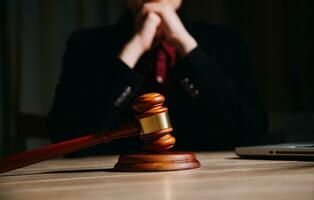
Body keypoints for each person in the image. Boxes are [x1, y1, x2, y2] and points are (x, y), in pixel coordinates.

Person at [48, 0, 268, 156]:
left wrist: (187, 46)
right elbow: (66, 138)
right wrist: (134, 49)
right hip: (112, 183)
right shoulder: (85, 45)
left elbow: (252, 132)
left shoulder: (225, 41)